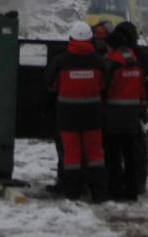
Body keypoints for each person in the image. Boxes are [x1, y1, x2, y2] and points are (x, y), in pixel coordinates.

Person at [44, 20, 111, 202]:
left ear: (71, 38)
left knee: (71, 155)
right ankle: (99, 194)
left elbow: (50, 84)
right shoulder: (98, 60)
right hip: (93, 116)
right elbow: (104, 85)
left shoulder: (61, 60)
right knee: (95, 154)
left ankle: (72, 192)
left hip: (67, 116)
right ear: (90, 39)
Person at [103, 20, 148, 200]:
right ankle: (134, 188)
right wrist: (141, 105)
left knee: (114, 154)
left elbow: (105, 88)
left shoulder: (113, 63)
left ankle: (115, 190)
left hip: (114, 115)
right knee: (132, 153)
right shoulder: (137, 61)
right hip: (133, 114)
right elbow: (145, 87)